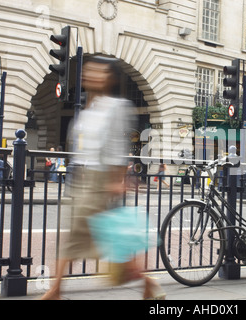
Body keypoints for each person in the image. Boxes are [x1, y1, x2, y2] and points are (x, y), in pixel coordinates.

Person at [41, 56, 164, 300]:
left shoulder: (116, 107)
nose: (91, 75)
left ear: (109, 78)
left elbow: (118, 147)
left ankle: (55, 290)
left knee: (79, 237)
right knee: (100, 240)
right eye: (89, 71)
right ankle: (146, 282)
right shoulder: (88, 107)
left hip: (99, 181)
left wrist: (116, 180)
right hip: (79, 178)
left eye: (98, 71)